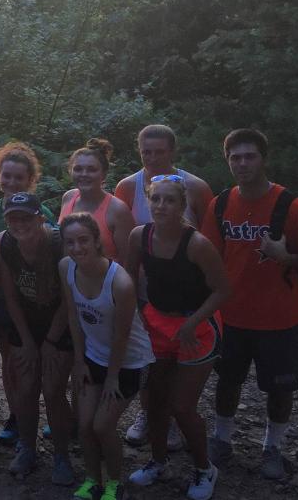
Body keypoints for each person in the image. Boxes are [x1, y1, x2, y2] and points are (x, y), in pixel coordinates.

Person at [201, 129, 298, 481]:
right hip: (231, 314)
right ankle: (222, 438)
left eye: (249, 156)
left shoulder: (292, 206)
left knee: (280, 387)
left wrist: (287, 256)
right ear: (228, 161)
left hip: (279, 316)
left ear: (263, 158)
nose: (242, 163)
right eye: (235, 157)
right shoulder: (221, 203)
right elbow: (209, 254)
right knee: (227, 381)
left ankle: (273, 447)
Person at [124, 175, 229, 500]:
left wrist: (192, 321)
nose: (161, 206)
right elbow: (128, 278)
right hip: (157, 321)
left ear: (182, 206)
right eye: (156, 199)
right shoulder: (140, 236)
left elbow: (223, 290)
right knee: (155, 401)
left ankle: (204, 468)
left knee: (182, 406)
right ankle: (158, 462)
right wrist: (135, 315)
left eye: (169, 200)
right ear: (148, 202)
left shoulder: (196, 244)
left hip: (197, 326)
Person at [115, 124, 211, 450]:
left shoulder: (195, 187)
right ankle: (149, 415)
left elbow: (211, 239)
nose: (153, 158)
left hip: (188, 294)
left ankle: (174, 419)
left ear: (173, 151)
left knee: (179, 362)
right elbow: (126, 240)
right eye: (146, 152)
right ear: (138, 151)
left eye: (160, 151)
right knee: (149, 359)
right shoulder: (128, 187)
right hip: (145, 290)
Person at [59, 212, 154, 500]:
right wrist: (78, 361)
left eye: (83, 240)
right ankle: (92, 480)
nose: (77, 248)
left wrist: (112, 377)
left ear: (98, 241)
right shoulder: (67, 268)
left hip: (129, 361)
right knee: (85, 425)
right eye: (70, 242)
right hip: (93, 356)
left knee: (102, 425)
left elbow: (121, 335)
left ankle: (115, 482)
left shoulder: (120, 282)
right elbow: (74, 317)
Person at [0, 192, 75, 486]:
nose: (19, 223)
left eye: (26, 217)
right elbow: (10, 297)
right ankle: (27, 448)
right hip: (25, 322)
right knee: (25, 387)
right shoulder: (3, 244)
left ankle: (62, 455)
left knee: (53, 389)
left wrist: (50, 343)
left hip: (59, 323)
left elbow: (69, 299)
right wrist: (28, 342)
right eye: (13, 218)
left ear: (40, 217)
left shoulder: (58, 245)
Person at [0, 140, 57, 446]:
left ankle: (54, 417)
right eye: (7, 176)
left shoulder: (43, 213)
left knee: (45, 364)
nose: (12, 182)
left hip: (37, 300)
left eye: (19, 177)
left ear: (31, 180)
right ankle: (17, 415)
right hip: (2, 298)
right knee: (11, 361)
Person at [59, 138, 134, 260]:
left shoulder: (117, 210)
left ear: (104, 174)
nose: (84, 174)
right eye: (78, 169)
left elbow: (129, 260)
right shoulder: (68, 198)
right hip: (70, 276)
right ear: (70, 171)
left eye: (91, 169)